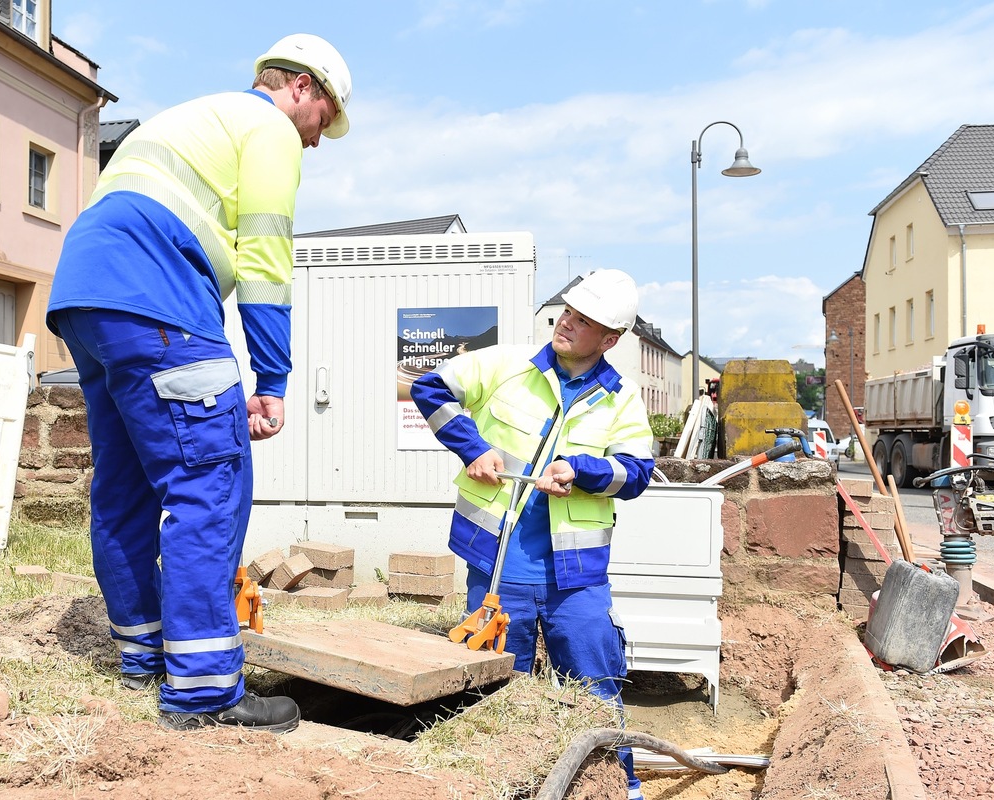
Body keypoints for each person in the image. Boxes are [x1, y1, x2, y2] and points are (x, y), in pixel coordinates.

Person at [45, 34, 352, 734]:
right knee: (209, 481)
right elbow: (269, 262)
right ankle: (205, 689)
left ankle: (145, 653)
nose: (317, 142)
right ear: (300, 88)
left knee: (124, 485)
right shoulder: (268, 128)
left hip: (87, 301)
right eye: (322, 120)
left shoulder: (189, 119)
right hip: (158, 302)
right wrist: (271, 379)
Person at [411, 269, 655, 799]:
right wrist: (471, 447)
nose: (566, 322)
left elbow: (635, 473)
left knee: (596, 685)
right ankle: (496, 785)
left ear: (609, 340)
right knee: (493, 691)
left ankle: (619, 784)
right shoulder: (506, 364)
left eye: (583, 320)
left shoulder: (622, 398)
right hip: (497, 566)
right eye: (567, 311)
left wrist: (582, 471)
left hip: (576, 577)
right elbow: (429, 386)